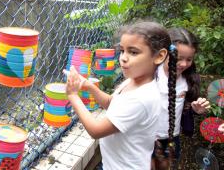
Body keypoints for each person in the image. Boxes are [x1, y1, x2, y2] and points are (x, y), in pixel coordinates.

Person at [64, 21, 174, 170]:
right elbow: (111, 103)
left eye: (133, 52)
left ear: (159, 56)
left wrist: (72, 96)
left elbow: (95, 130)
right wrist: (89, 86)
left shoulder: (141, 98)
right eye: (122, 50)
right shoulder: (133, 81)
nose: (123, 57)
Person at [152, 28, 210, 170]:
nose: (184, 64)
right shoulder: (151, 75)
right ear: (163, 53)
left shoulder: (188, 80)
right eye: (178, 58)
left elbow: (185, 108)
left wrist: (195, 109)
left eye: (189, 59)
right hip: (147, 138)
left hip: (172, 139)